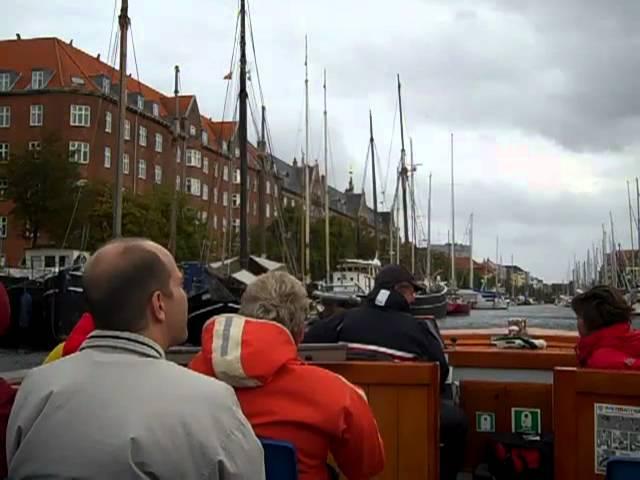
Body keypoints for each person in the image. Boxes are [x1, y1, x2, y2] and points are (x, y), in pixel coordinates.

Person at [7, 238, 265, 480]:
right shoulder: (211, 402)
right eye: (180, 285)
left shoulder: (35, 387)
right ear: (158, 304)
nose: (185, 295)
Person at [189, 271, 385, 480]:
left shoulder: (192, 377)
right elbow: (367, 467)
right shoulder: (336, 393)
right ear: (300, 333)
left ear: (243, 317)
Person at [304, 264, 467, 480]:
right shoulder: (419, 330)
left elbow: (305, 347)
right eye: (412, 292)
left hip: (346, 417)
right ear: (400, 290)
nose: (414, 299)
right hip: (406, 418)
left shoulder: (341, 322)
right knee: (457, 422)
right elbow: (441, 374)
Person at [573, 285, 640, 369]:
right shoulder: (632, 339)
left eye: (579, 317)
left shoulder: (600, 360)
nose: (577, 322)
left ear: (591, 320)